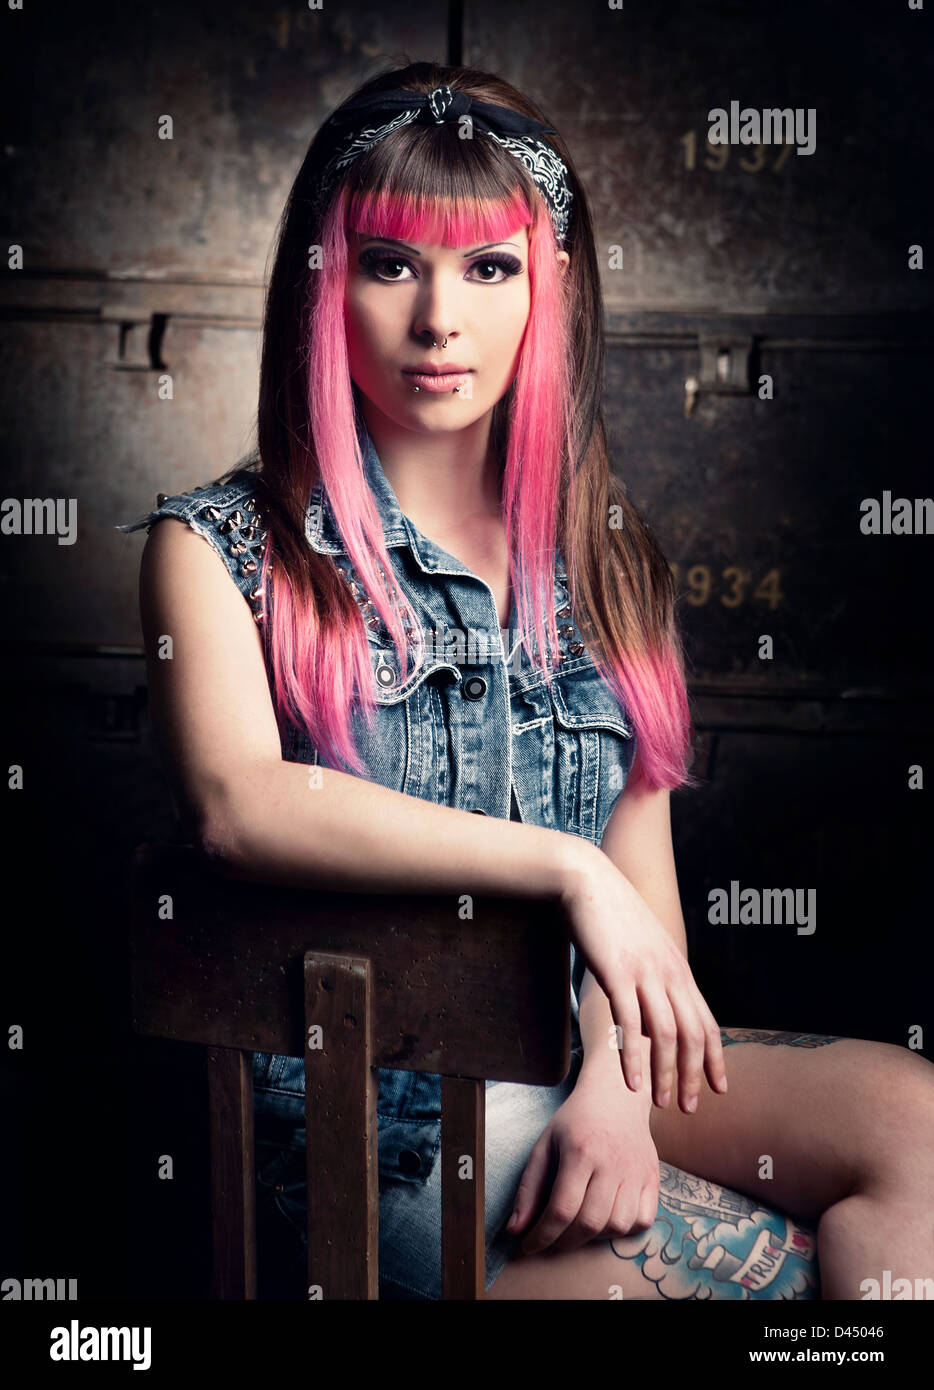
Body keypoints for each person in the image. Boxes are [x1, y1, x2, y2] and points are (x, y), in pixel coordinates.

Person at [116, 61, 933, 1302]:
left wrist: (612, 1091)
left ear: (546, 290)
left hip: (577, 1066)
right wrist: (565, 866)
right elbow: (239, 803)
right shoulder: (220, 548)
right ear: (323, 284)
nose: (440, 317)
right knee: (780, 1287)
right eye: (391, 263)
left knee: (917, 1129)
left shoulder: (608, 564)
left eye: (489, 268)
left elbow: (648, 936)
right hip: (366, 1130)